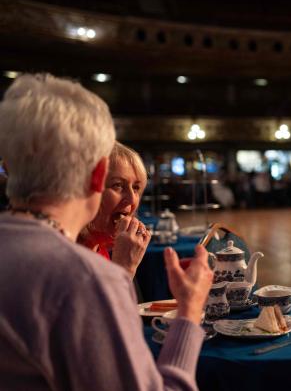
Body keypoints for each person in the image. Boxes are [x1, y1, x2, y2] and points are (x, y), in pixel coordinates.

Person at [0, 73, 213, 390]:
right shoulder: (84, 277)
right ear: (98, 175)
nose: (131, 198)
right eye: (117, 184)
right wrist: (190, 311)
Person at [78, 142, 150, 278]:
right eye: (118, 185)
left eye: (136, 188)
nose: (131, 199)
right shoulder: (68, 254)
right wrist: (124, 269)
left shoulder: (98, 248)